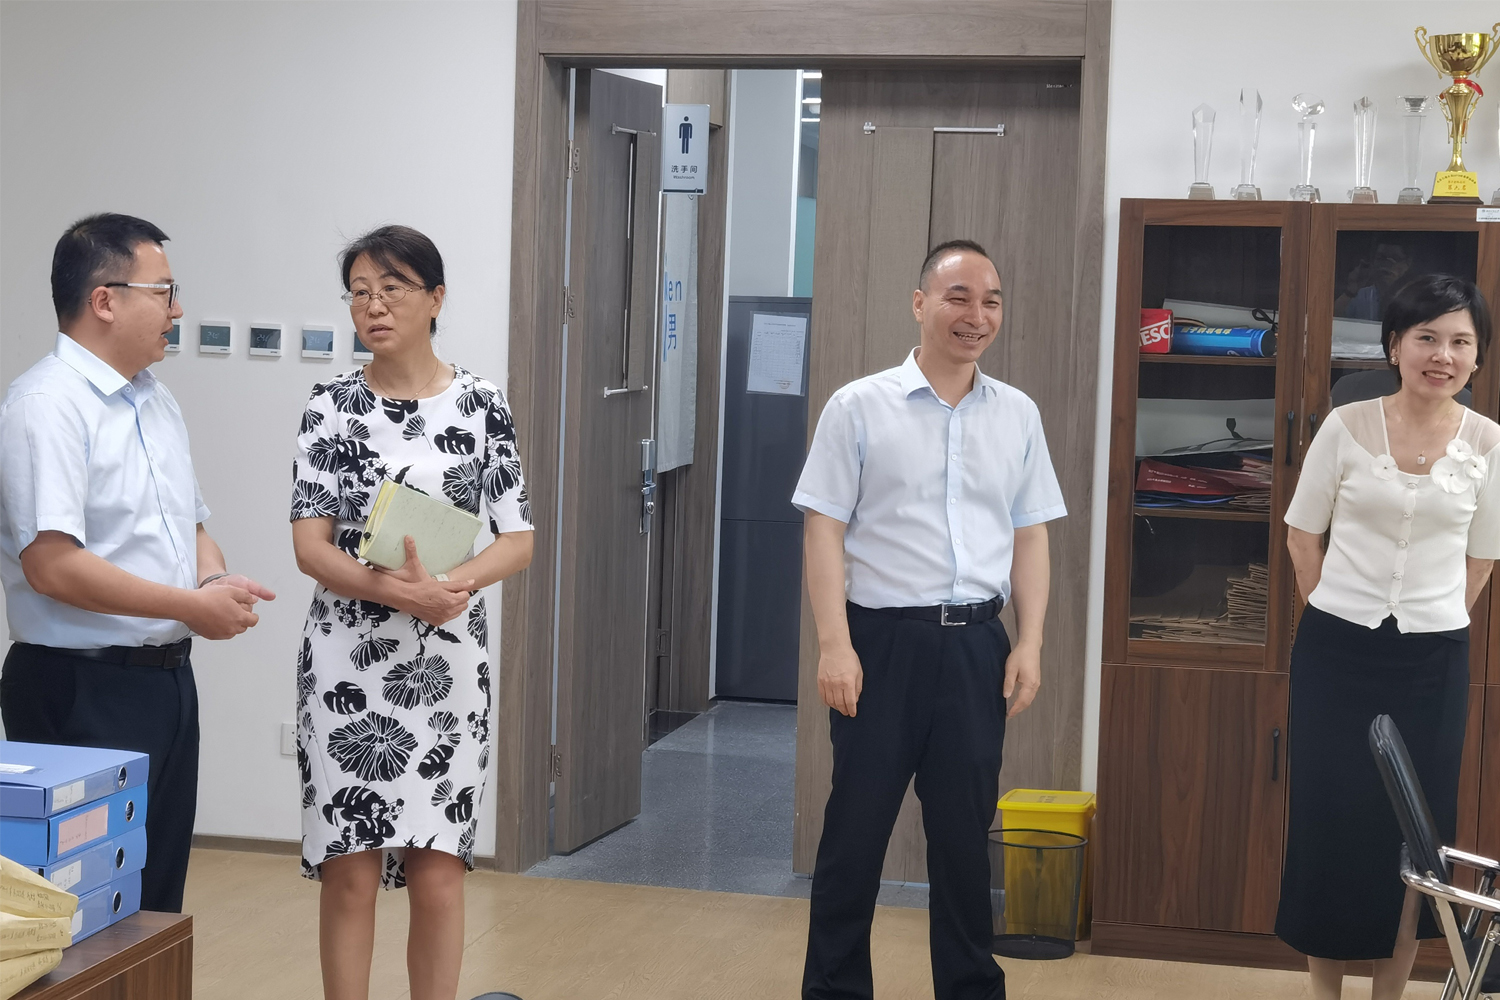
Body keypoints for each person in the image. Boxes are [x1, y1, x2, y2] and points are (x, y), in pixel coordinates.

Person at [793, 239, 1066, 1000]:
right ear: (920, 304)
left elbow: (1030, 534)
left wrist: (1030, 643)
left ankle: (970, 989)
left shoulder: (1017, 414)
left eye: (991, 301)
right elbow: (822, 529)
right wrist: (834, 645)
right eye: (958, 297)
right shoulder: (858, 406)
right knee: (854, 840)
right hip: (880, 646)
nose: (976, 315)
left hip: (978, 647)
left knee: (963, 845)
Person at [0, 213, 275, 913]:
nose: (177, 311)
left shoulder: (155, 398)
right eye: (165, 292)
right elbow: (52, 566)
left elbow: (191, 526)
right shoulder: (46, 405)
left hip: (166, 684)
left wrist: (211, 579)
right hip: (80, 687)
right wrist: (190, 606)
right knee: (83, 910)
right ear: (104, 300)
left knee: (155, 901)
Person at [290, 225, 533, 1000]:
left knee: (438, 872)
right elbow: (310, 547)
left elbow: (518, 540)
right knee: (350, 872)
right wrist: (398, 592)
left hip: (448, 664)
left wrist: (445, 586)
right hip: (346, 662)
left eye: (391, 288)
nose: (373, 306)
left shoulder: (481, 403)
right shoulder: (331, 405)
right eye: (360, 292)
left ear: (435, 298)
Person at [1278, 274, 1497, 1000]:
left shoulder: (1489, 443)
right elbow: (1302, 536)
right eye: (1427, 338)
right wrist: (1337, 611)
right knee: (1331, 823)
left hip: (1433, 663)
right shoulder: (1345, 427)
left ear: (1478, 357)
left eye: (1461, 342)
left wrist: (1431, 616)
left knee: (1415, 837)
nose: (1443, 355)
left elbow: (1481, 558)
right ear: (1395, 345)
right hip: (1335, 655)